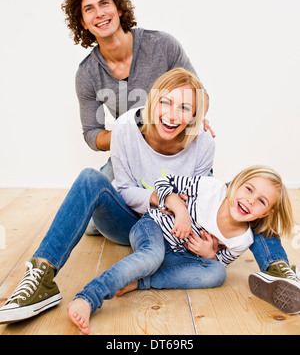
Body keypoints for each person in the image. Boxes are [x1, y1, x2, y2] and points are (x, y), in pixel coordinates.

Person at [0, 68, 215, 325]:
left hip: (167, 233)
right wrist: (166, 198)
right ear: (152, 101)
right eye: (165, 102)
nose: (171, 115)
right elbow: (124, 190)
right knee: (91, 178)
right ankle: (41, 274)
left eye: (184, 107)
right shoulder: (125, 127)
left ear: (195, 115)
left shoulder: (203, 142)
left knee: (213, 268)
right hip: (126, 221)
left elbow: (200, 199)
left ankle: (89, 223)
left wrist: (211, 247)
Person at [67, 165, 295, 335]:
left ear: (265, 214)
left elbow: (218, 262)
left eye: (261, 202)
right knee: (151, 256)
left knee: (217, 274)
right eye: (248, 189)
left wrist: (209, 254)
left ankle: (140, 281)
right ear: (236, 183)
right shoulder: (211, 189)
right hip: (152, 228)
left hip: (179, 255)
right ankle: (89, 297)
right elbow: (164, 183)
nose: (250, 200)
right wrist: (181, 213)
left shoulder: (242, 239)